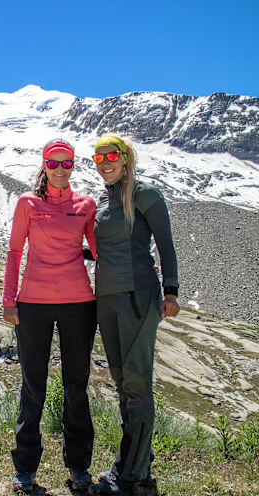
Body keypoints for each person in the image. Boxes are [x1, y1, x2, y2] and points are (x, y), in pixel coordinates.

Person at [2, 139, 98, 494]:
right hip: (33, 304)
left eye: (66, 163)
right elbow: (15, 252)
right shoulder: (27, 203)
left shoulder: (86, 205)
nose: (60, 169)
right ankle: (25, 470)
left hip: (79, 304)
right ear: (44, 165)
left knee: (77, 386)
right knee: (33, 386)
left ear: (73, 166)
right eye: (53, 163)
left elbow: (100, 251)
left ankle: (79, 468)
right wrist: (9, 300)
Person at [89, 135, 180, 496]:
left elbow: (166, 244)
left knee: (137, 384)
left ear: (125, 158)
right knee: (122, 382)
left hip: (138, 296)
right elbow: (105, 248)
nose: (104, 163)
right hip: (106, 299)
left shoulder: (145, 195)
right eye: (98, 158)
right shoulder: (103, 200)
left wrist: (171, 291)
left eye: (111, 156)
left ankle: (131, 478)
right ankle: (137, 466)